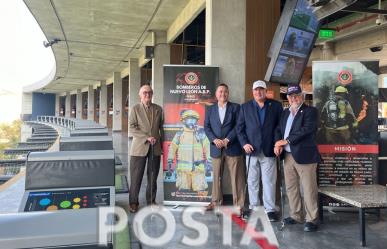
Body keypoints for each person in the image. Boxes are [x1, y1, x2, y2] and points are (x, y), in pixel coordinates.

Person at [274, 84, 321, 232]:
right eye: (291, 95)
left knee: (308, 188)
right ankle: (296, 215)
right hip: (288, 156)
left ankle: (312, 219)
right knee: (291, 188)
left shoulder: (310, 111)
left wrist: (286, 141)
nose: (293, 98)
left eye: (296, 95)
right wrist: (277, 143)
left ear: (302, 96)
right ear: (287, 97)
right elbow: (278, 129)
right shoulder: (285, 113)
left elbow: (306, 130)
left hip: (306, 156)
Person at [237, 80, 283, 222]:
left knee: (269, 181)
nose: (259, 92)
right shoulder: (245, 107)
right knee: (252, 181)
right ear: (253, 92)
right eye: (256, 90)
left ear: (266, 90)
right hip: (251, 151)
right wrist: (244, 144)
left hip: (269, 150)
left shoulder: (275, 106)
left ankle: (270, 210)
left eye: (261, 89)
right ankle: (254, 208)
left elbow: (279, 127)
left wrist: (277, 143)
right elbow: (239, 128)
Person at [204, 83, 245, 212]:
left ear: (228, 93)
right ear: (216, 94)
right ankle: (215, 202)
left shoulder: (236, 108)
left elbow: (239, 126)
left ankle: (239, 205)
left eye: (225, 91)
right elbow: (207, 127)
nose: (223, 94)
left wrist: (228, 139)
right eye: (220, 91)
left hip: (233, 147)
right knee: (216, 177)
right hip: (216, 148)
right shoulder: (210, 109)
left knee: (237, 178)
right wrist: (214, 139)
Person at [128, 85, 164, 213]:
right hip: (139, 148)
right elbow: (132, 128)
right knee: (136, 176)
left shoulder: (158, 109)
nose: (147, 95)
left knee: (153, 176)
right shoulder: (135, 109)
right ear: (140, 95)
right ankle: (133, 202)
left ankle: (151, 201)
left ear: (152, 94)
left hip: (155, 148)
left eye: (149, 92)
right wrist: (146, 137)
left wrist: (163, 145)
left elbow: (161, 128)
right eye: (144, 93)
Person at [167, 109, 211, 192]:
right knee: (184, 192)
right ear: (183, 120)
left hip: (198, 170)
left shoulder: (201, 134)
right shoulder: (179, 134)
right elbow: (172, 147)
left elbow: (207, 147)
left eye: (194, 119)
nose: (191, 122)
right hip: (183, 171)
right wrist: (170, 160)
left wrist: (209, 161)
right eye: (189, 119)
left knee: (200, 191)